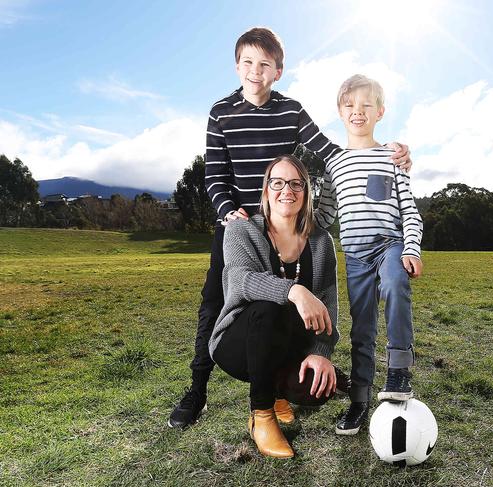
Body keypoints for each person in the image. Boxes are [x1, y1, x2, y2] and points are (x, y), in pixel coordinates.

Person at [168, 27, 412, 429]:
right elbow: (213, 175)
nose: (255, 71)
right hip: (240, 229)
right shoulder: (221, 112)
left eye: (264, 65)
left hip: (287, 227)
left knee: (281, 311)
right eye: (247, 62)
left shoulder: (291, 111)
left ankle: (281, 385)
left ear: (277, 71)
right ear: (236, 66)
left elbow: (333, 153)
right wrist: (230, 211)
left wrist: (385, 153)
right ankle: (197, 391)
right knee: (214, 306)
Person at [207, 155, 338, 458]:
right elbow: (240, 280)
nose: (286, 191)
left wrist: (321, 353)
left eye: (296, 184)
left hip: (288, 344)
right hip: (239, 342)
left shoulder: (320, 242)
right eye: (277, 183)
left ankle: (280, 393)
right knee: (267, 307)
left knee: (318, 388)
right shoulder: (240, 230)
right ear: (266, 190)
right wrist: (296, 291)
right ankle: (262, 415)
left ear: (307, 192)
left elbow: (328, 303)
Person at [315, 74, 424, 435]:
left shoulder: (392, 156)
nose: (357, 112)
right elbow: (323, 216)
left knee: (394, 284)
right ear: (339, 111)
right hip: (356, 257)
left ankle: (399, 372)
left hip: (390, 246)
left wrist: (411, 248)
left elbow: (409, 209)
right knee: (361, 329)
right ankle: (359, 400)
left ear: (380, 111)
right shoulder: (334, 164)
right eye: (349, 105)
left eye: (366, 105)